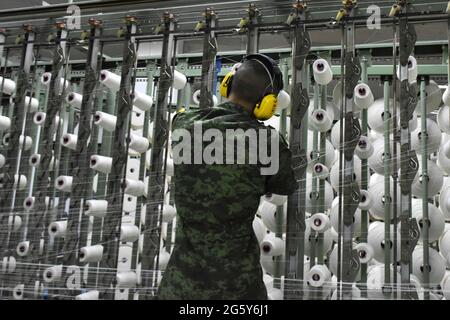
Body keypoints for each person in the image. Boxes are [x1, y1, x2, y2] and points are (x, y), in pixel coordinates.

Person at [157, 54, 297, 300]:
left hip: (179, 287)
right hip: (237, 290)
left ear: (228, 84)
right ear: (266, 103)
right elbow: (284, 186)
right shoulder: (268, 143)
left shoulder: (183, 124)